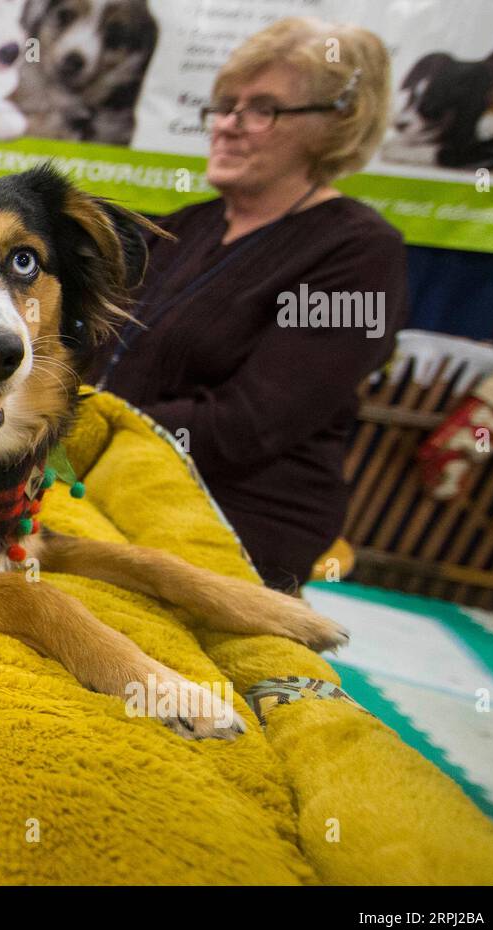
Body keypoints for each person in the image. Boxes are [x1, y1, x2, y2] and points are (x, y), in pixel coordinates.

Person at [93, 17, 409, 592]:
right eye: (223, 106)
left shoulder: (360, 253)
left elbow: (251, 425)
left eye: (262, 109)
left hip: (238, 512)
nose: (228, 127)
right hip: (105, 472)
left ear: (336, 124)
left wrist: (87, 428)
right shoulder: (184, 229)